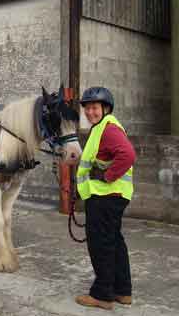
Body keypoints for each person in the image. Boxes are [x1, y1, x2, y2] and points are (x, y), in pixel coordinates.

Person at [75, 87, 135, 311]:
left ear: (105, 108)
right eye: (87, 108)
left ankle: (102, 294)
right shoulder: (101, 128)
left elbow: (127, 155)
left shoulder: (108, 129)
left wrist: (107, 176)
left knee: (101, 245)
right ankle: (123, 291)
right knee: (114, 243)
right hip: (109, 196)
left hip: (106, 197)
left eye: (95, 107)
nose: (90, 112)